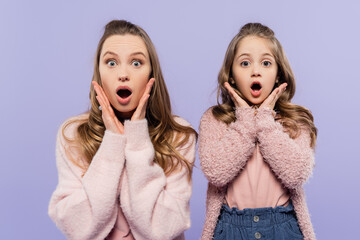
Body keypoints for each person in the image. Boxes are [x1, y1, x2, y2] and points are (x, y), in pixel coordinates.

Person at [48, 20, 197, 240]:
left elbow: (161, 230)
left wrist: (136, 140)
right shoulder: (73, 135)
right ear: (98, 73)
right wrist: (113, 143)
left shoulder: (179, 135)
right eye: (111, 62)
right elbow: (80, 228)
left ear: (151, 75)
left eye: (136, 63)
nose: (123, 74)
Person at [199, 23, 317, 240]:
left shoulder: (296, 120)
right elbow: (216, 172)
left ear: (279, 74)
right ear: (231, 76)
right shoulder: (215, 119)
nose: (255, 71)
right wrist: (245, 121)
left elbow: (296, 174)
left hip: (282, 226)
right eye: (245, 63)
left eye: (266, 63)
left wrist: (264, 121)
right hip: (231, 227)